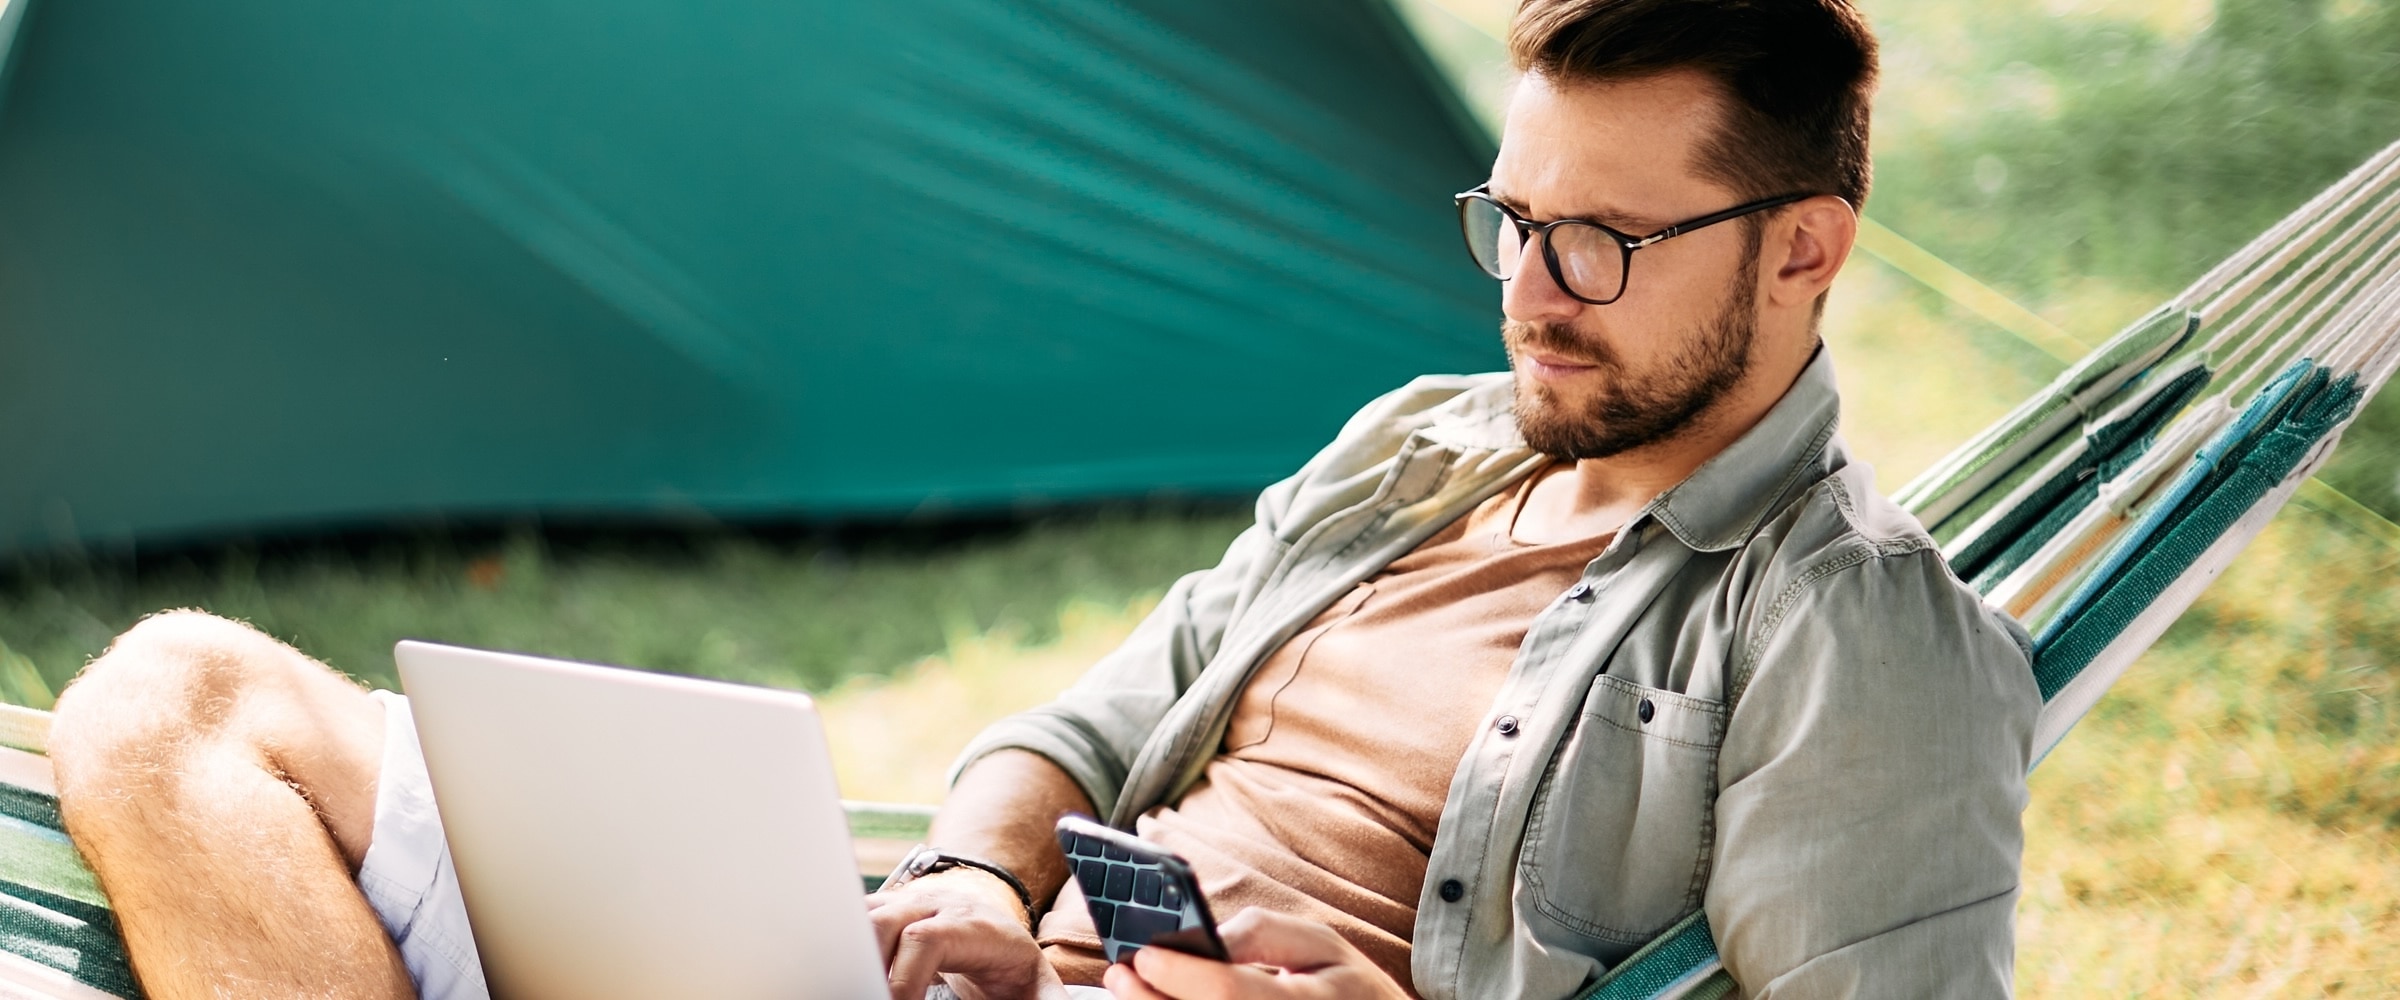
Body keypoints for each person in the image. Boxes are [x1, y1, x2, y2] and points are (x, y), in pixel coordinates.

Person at [44, 0, 2038, 998]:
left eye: (1598, 241)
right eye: (1507, 218)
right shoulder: (1420, 441)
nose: (1525, 290)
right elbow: (1084, 724)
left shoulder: (1857, 633)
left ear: (1803, 250)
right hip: (957, 963)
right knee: (175, 702)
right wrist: (988, 878)